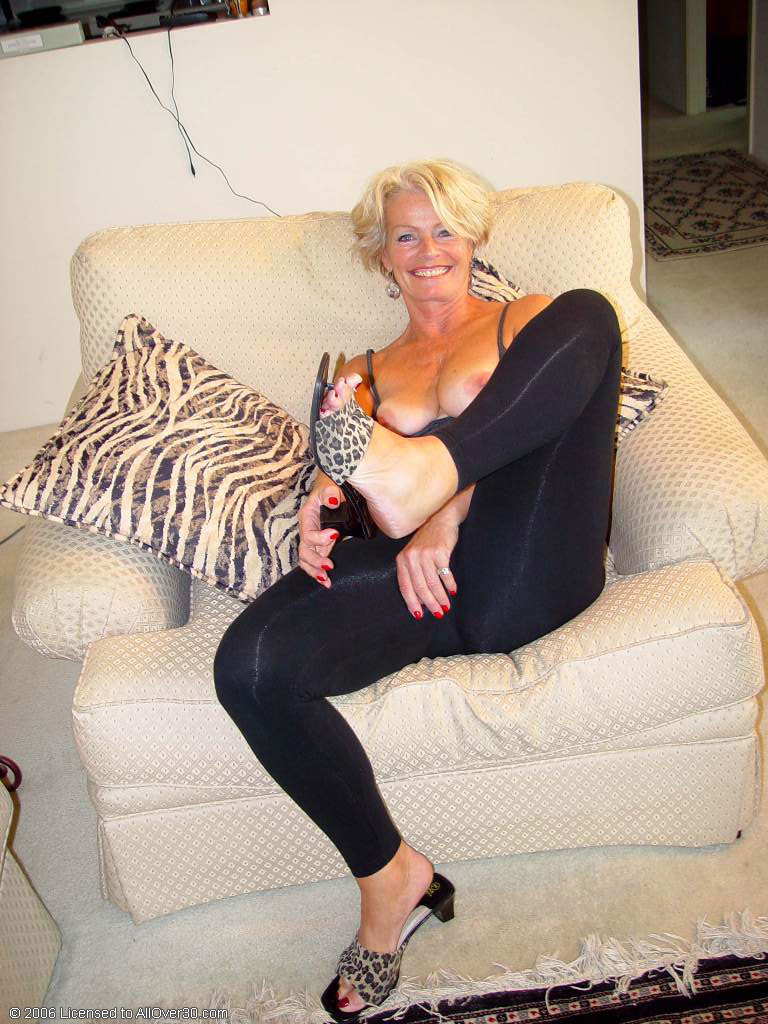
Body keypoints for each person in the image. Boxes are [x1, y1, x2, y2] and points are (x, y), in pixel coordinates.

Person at [213, 159, 621, 1018]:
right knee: (246, 666)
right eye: (406, 235)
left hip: (527, 561)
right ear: (383, 257)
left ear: (472, 239)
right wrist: (318, 512)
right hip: (423, 592)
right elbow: (341, 490)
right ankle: (392, 879)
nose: (428, 249)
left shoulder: (529, 321)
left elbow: (545, 436)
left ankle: (429, 471)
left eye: (444, 230)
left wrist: (444, 508)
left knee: (592, 310)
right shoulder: (361, 373)